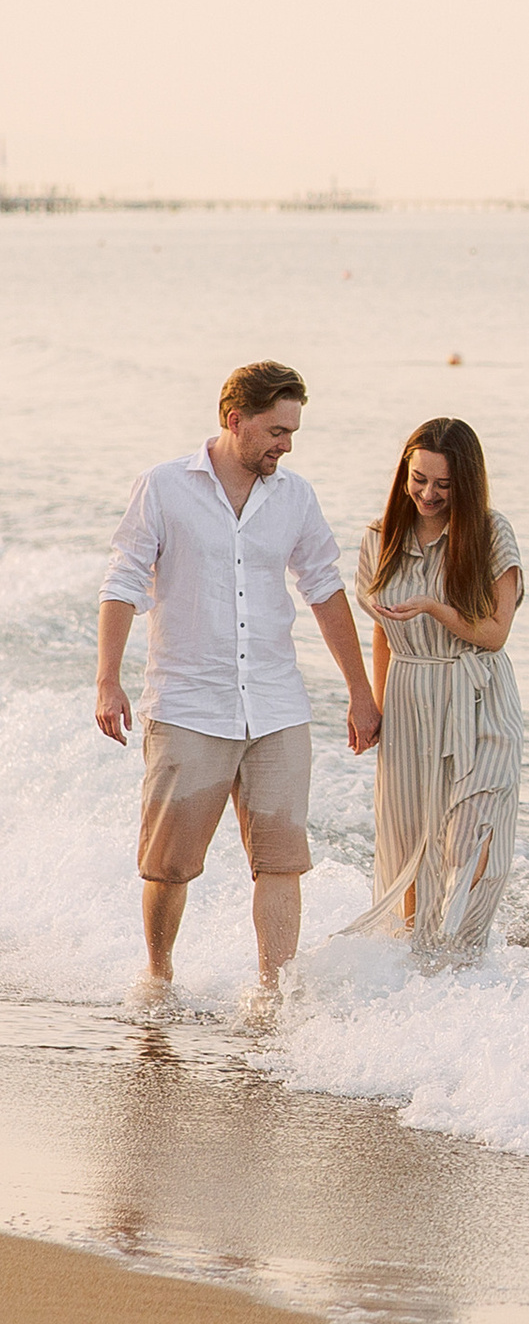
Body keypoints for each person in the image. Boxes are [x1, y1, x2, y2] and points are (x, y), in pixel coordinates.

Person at [96, 359, 383, 1021]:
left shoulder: (295, 497)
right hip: (188, 704)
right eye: (278, 430)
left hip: (276, 706)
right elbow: (122, 585)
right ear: (237, 420)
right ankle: (159, 976)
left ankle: (271, 998)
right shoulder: (163, 488)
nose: (287, 444)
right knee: (168, 867)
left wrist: (360, 693)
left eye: (293, 432)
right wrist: (108, 681)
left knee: (281, 861)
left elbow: (325, 590)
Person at [343, 418, 525, 966]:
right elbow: (380, 629)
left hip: (477, 696)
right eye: (418, 478)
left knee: (473, 834)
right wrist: (371, 706)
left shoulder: (491, 534)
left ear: (466, 484)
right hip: (407, 694)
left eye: (442, 485)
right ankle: (415, 965)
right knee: (408, 842)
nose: (427, 493)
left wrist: (433, 607)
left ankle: (466, 960)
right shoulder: (380, 537)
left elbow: (494, 634)